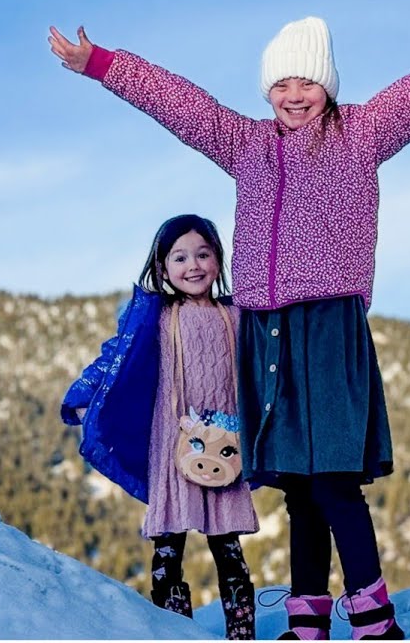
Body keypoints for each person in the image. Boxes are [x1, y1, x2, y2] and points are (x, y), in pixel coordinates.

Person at [49, 17, 410, 640]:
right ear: (267, 90)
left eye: (306, 80)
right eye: (281, 82)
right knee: (298, 487)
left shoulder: (361, 132)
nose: (293, 93)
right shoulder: (244, 144)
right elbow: (177, 102)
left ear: (328, 84)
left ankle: (373, 615)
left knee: (334, 478)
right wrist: (101, 63)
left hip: (329, 328)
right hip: (265, 331)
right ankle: (307, 616)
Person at [61, 214, 258, 640]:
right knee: (169, 549)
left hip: (227, 447)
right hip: (173, 445)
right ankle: (175, 633)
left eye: (203, 254)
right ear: (162, 267)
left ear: (219, 260)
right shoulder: (157, 315)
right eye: (180, 256)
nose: (193, 265)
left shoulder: (238, 314)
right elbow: (117, 357)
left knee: (229, 549)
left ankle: (242, 632)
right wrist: (83, 396)